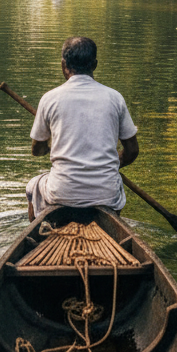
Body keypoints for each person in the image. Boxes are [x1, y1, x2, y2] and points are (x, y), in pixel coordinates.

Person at [26, 36, 139, 221]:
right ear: (95, 64)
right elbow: (132, 150)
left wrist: (50, 147)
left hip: (62, 193)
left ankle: (35, 237)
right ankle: (110, 224)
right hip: (106, 194)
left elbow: (37, 150)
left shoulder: (49, 99)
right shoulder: (115, 98)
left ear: (63, 65)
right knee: (115, 183)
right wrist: (111, 163)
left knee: (32, 186)